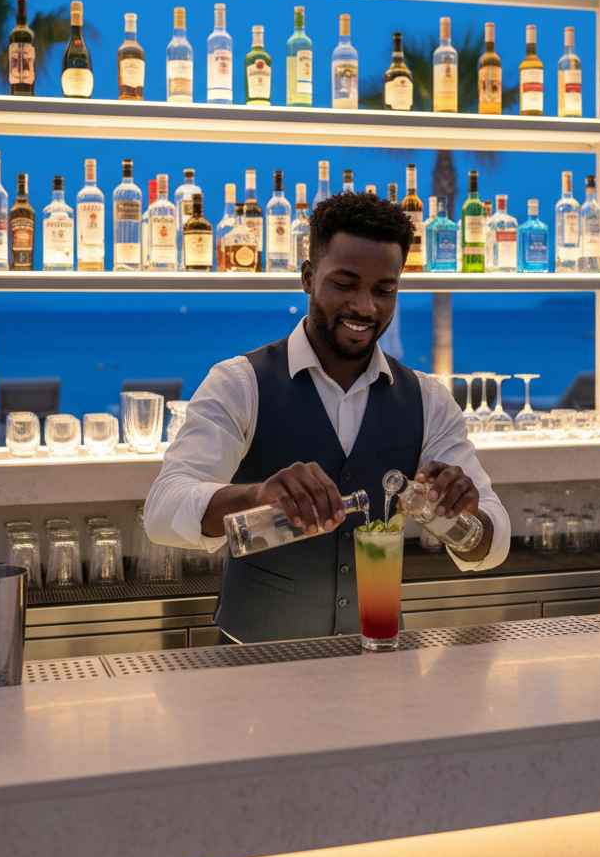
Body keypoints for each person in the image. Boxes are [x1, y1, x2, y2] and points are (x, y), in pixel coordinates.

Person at [145, 191, 509, 643]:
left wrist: (460, 521)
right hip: (251, 670)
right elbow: (161, 511)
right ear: (307, 277)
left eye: (384, 290)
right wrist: (256, 495)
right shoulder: (240, 383)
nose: (365, 306)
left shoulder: (427, 399)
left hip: (378, 667)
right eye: (345, 283)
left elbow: (491, 542)